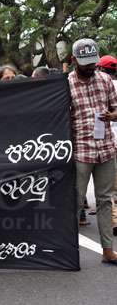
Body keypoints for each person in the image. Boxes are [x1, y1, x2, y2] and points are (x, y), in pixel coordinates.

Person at [68, 38, 117, 264]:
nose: (91, 67)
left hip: (106, 148)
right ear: (73, 60)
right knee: (75, 200)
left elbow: (116, 108)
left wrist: (113, 115)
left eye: (93, 63)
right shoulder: (65, 84)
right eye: (85, 63)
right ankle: (68, 251)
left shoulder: (105, 79)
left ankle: (108, 250)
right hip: (81, 151)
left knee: (105, 200)